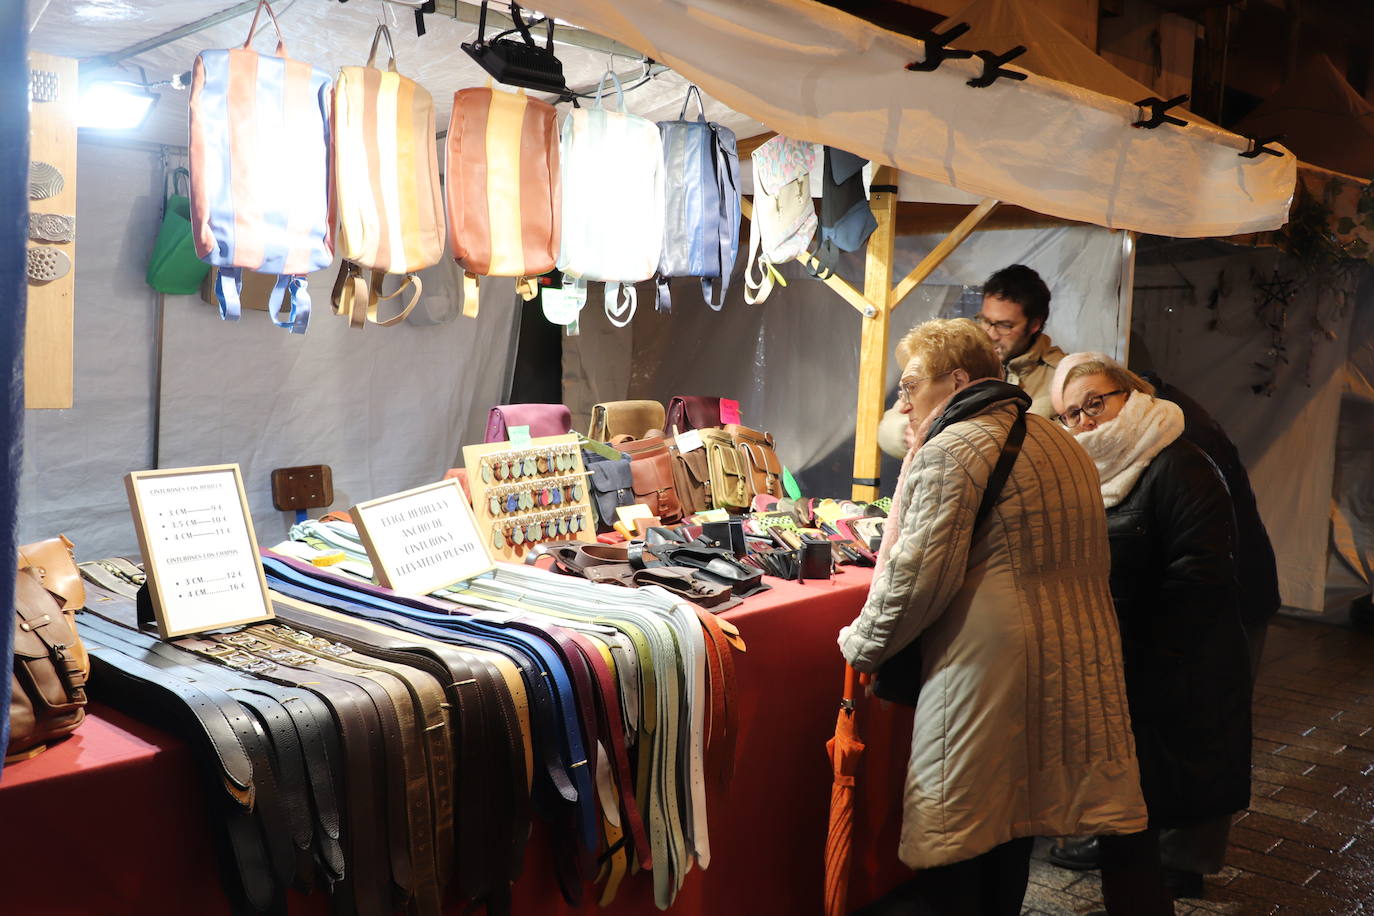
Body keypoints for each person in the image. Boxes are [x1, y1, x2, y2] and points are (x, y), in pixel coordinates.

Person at [839, 318, 1148, 916]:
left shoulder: (953, 449)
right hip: (1067, 651)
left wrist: (862, 644)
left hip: (985, 665)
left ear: (957, 380)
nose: (903, 403)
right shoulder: (1058, 440)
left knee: (957, 826)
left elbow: (916, 578)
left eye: (911, 385)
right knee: (1013, 819)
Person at [1050, 357, 1280, 898]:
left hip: (1181, 641)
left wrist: (1152, 650)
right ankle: (1131, 847)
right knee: (1142, 771)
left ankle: (1176, 864)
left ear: (1131, 391)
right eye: (1070, 414)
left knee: (1186, 754)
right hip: (1134, 642)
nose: (1085, 420)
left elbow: (1199, 574)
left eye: (1095, 403)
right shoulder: (1103, 461)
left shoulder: (1179, 452)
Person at [877, 264, 1065, 457]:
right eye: (985, 320)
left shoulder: (1063, 376)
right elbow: (887, 428)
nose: (991, 334)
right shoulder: (960, 358)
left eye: (1004, 326)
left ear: (1034, 325)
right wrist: (909, 432)